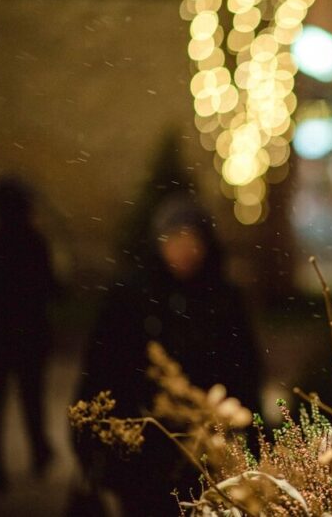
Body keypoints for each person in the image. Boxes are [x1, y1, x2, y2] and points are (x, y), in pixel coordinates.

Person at [74, 193, 261, 516]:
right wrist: (91, 445)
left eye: (192, 239)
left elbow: (244, 369)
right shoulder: (130, 297)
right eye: (175, 239)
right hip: (143, 451)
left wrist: (249, 436)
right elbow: (102, 368)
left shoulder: (222, 299)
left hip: (207, 449)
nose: (185, 250)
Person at [0, 177, 55, 492]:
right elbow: (50, 286)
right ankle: (39, 452)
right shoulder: (33, 242)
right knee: (31, 398)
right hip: (26, 336)